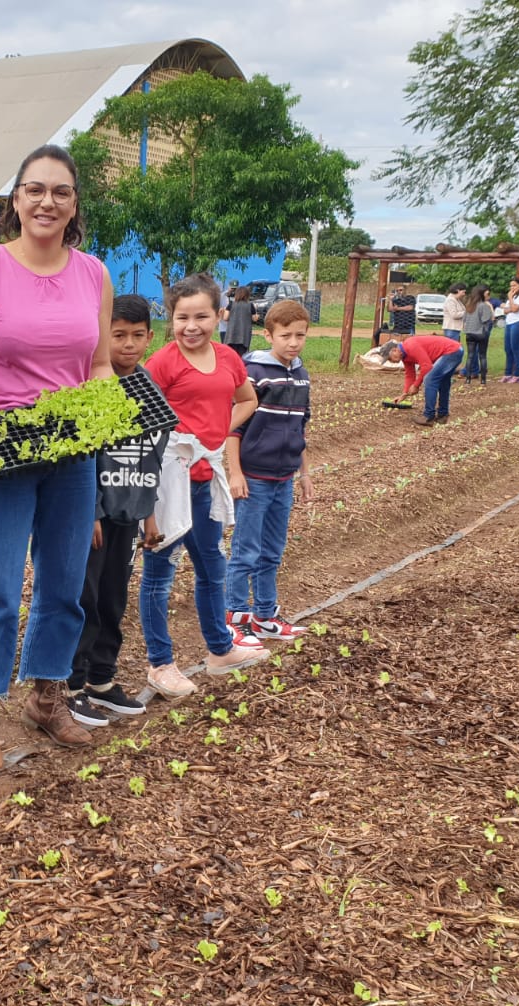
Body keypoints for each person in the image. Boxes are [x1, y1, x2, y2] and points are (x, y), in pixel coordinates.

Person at [0, 144, 111, 769]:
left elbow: (98, 363)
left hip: (72, 447)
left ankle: (48, 696)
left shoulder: (93, 274)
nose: (47, 201)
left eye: (61, 191)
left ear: (74, 205)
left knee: (65, 583)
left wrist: (106, 418)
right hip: (4, 450)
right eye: (35, 189)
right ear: (15, 199)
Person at [139, 274, 271, 696]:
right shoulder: (162, 363)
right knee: (159, 576)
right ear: (171, 318)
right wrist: (175, 446)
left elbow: (247, 399)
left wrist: (214, 436)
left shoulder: (229, 358)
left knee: (212, 568)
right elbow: (138, 421)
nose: (191, 326)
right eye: (182, 317)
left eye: (201, 316)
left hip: (206, 483)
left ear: (219, 315)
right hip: (169, 485)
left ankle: (219, 650)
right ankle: (160, 664)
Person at [66, 293, 166, 727]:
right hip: (94, 515)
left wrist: (150, 514)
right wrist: (88, 510)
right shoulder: (92, 387)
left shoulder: (148, 390)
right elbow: (82, 456)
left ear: (149, 337)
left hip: (130, 509)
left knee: (113, 595)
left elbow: (152, 456)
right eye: (118, 335)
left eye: (137, 335)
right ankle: (71, 683)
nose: (128, 344)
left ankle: (102, 679)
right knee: (83, 596)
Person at [225, 299, 313, 642]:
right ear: (268, 335)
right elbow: (234, 429)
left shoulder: (301, 376)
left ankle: (264, 615)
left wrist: (304, 474)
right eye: (286, 335)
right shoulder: (254, 373)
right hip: (254, 478)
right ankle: (235, 619)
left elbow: (301, 429)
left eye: (300, 336)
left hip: (284, 479)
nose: (293, 342)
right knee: (245, 550)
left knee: (272, 550)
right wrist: (235, 472)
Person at [382, 332, 463, 424]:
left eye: (389, 358)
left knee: (430, 379)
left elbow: (427, 366)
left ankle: (428, 416)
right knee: (443, 382)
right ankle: (443, 415)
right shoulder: (405, 356)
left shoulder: (410, 346)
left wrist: (416, 385)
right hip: (456, 350)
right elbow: (410, 375)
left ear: (394, 350)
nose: (391, 361)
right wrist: (404, 394)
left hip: (452, 351)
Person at [500, 278, 519, 382]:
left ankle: (517, 374)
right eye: (511, 286)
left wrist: (510, 299)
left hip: (518, 323)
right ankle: (508, 373)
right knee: (507, 349)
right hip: (509, 323)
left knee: (515, 348)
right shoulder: (512, 297)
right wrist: (511, 306)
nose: (512, 288)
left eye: (515, 285)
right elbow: (505, 311)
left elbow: (515, 309)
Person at [461, 285, 494, 384]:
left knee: (470, 356)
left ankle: (468, 379)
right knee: (482, 356)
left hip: (469, 333)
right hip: (481, 332)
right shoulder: (483, 305)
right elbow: (487, 319)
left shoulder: (469, 305)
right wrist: (490, 308)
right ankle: (483, 379)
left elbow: (464, 319)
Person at [223, 285, 253, 357]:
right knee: (241, 356)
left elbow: (225, 317)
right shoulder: (250, 305)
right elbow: (254, 318)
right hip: (244, 335)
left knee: (230, 356)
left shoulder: (231, 304)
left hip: (232, 334)